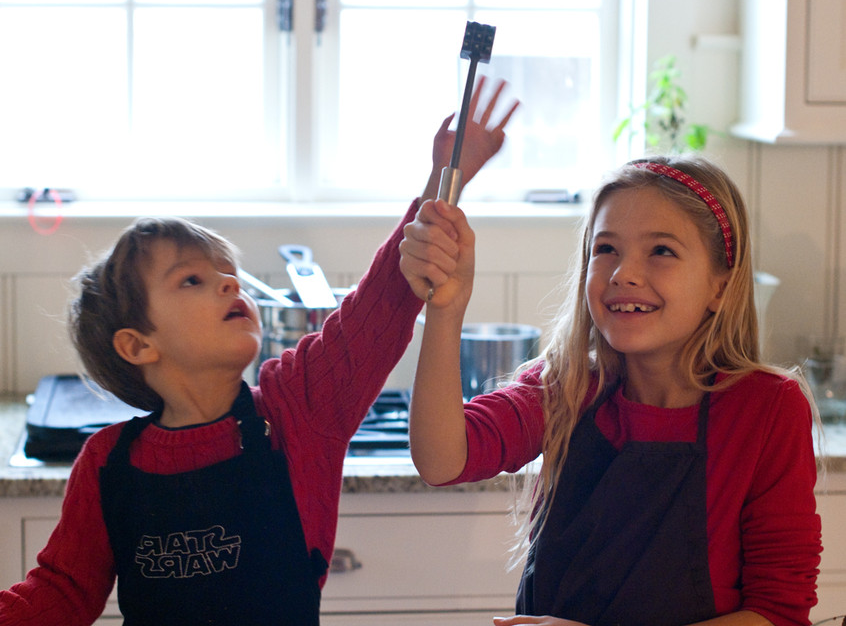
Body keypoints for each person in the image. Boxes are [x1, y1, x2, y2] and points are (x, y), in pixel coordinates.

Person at [0, 77, 519, 626]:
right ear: (137, 345)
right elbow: (60, 593)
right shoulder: (107, 465)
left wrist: (444, 180)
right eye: (192, 281)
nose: (231, 285)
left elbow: (378, 307)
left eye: (229, 274)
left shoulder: (298, 411)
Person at [399, 156, 823, 626]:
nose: (623, 273)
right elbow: (442, 460)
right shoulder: (568, 386)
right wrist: (445, 310)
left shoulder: (766, 408)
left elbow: (777, 613)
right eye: (606, 249)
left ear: (719, 286)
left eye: (661, 250)